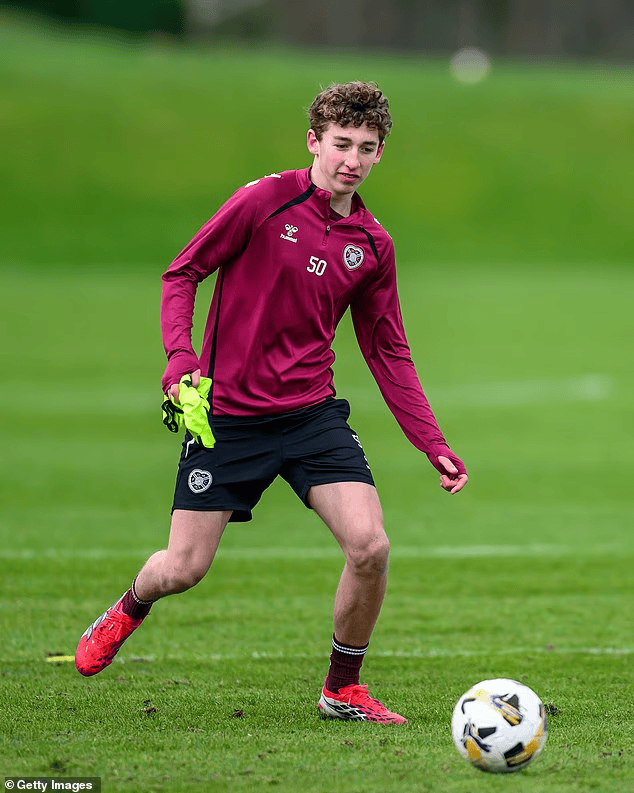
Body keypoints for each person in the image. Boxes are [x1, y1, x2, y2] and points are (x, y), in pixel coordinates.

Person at [75, 81, 468, 724]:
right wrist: (180, 358)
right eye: (341, 143)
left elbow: (387, 350)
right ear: (313, 141)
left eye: (367, 148)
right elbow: (183, 272)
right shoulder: (263, 201)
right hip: (228, 419)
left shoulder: (373, 245)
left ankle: (342, 689)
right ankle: (129, 607)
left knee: (370, 547)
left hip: (313, 416)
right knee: (183, 568)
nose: (352, 160)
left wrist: (432, 442)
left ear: (380, 153)